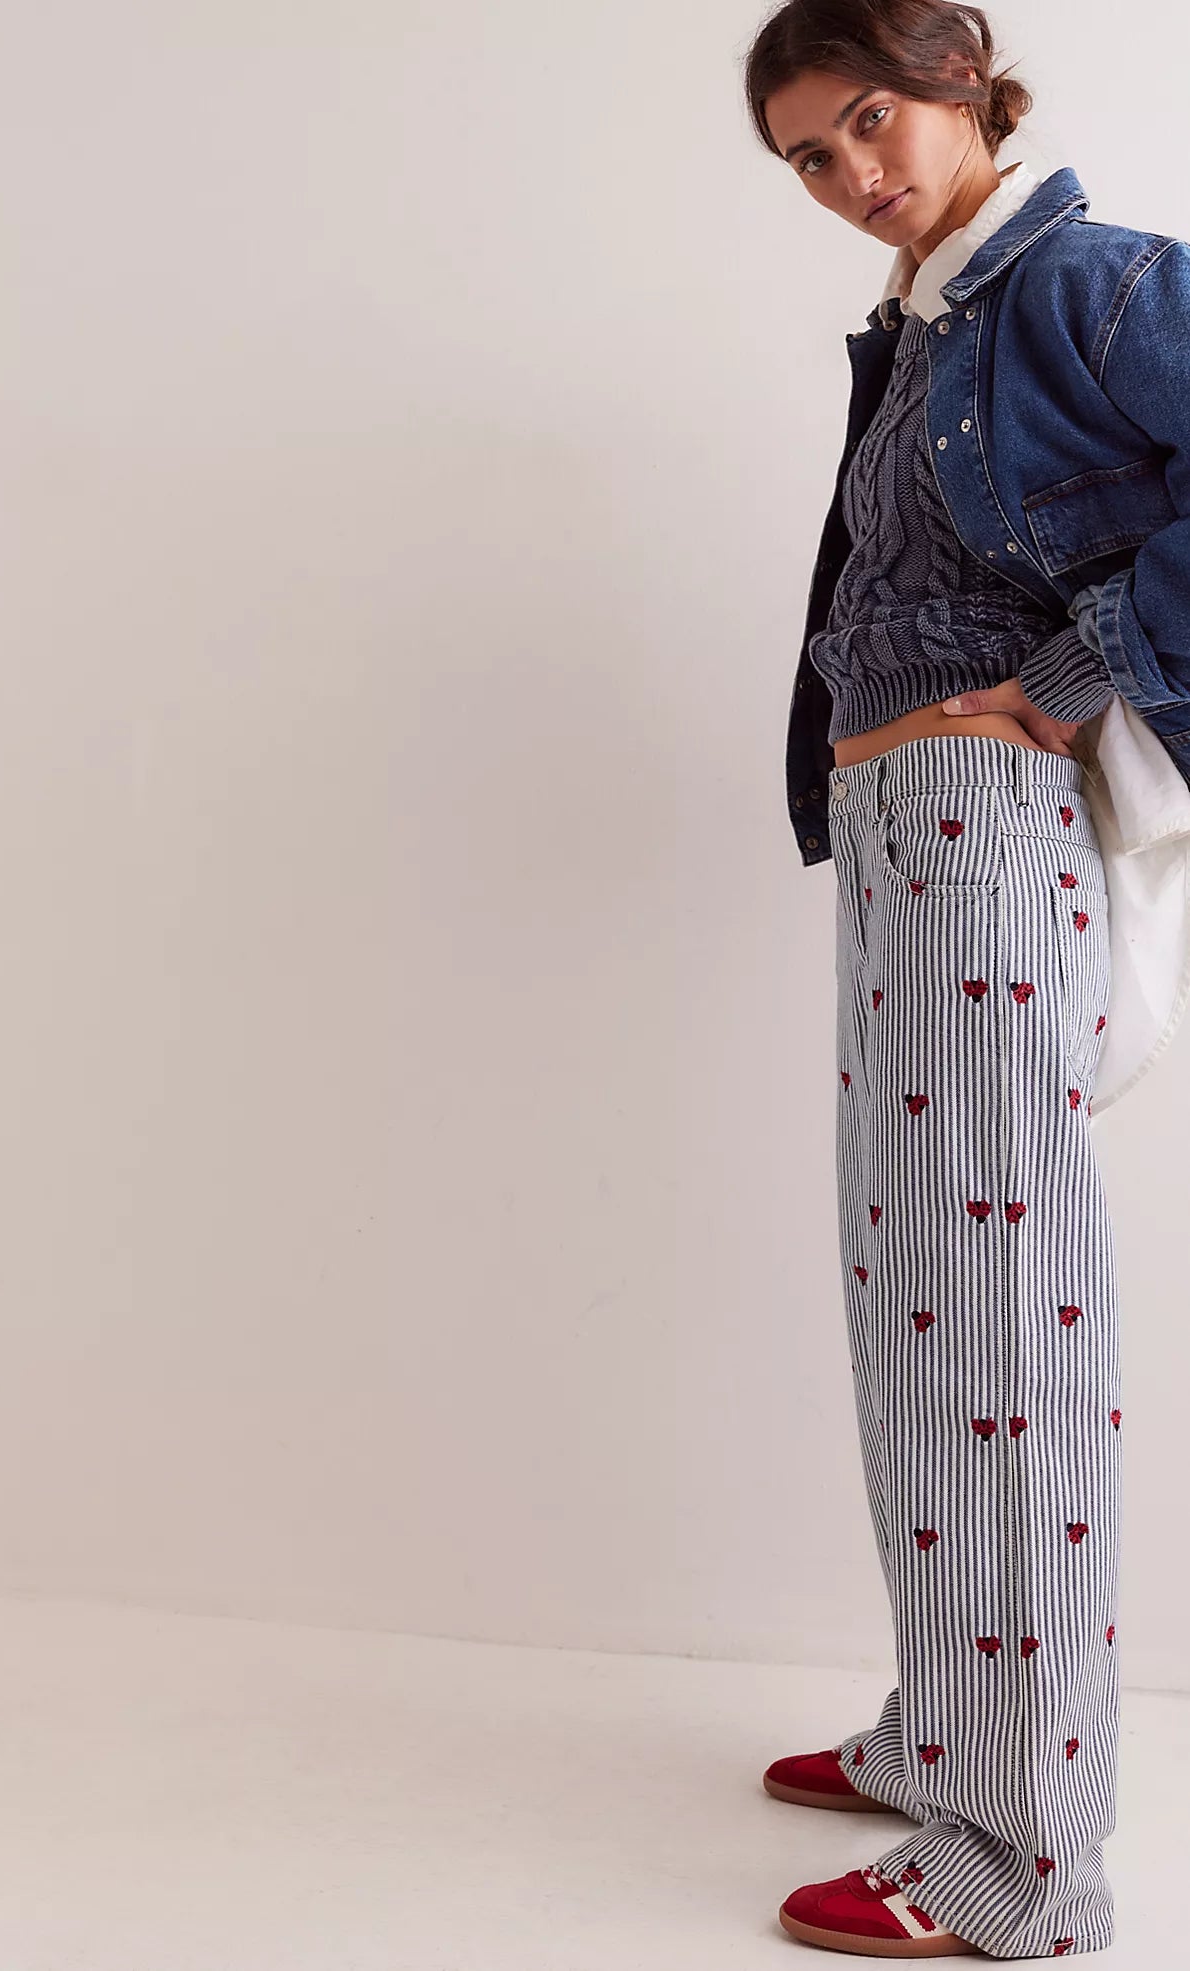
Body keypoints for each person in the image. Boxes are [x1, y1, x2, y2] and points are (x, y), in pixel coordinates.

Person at [742, 0, 1190, 1957]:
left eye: (869, 122)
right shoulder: (925, 323)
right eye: (808, 157)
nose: (850, 175)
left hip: (991, 834)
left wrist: (1084, 671)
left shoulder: (1089, 282)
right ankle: (951, 1730)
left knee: (1001, 1326)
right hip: (902, 837)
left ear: (961, 85)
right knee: (915, 1304)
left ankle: (1020, 1855)